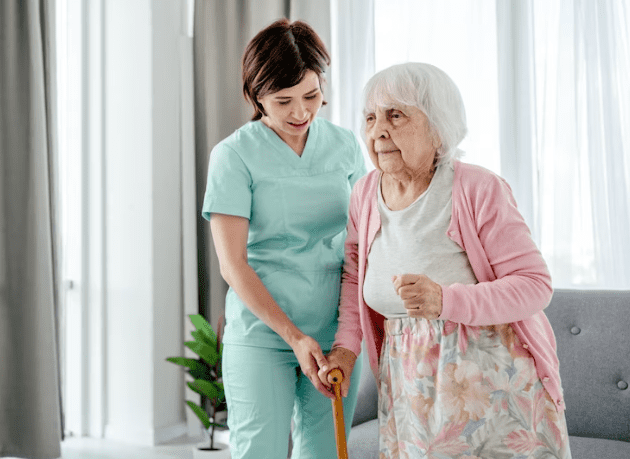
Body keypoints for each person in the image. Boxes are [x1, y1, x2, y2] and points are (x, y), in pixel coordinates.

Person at [319, 62, 572, 458]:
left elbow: (534, 284)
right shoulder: (365, 195)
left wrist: (446, 301)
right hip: (406, 387)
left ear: (437, 127)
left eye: (395, 115)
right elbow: (354, 277)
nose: (377, 130)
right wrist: (346, 350)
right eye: (370, 117)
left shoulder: (477, 188)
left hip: (492, 388)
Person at [202, 18, 366, 459]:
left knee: (325, 453)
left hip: (335, 335)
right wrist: (294, 336)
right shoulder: (233, 156)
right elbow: (232, 263)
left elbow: (365, 242)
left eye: (311, 96)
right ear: (257, 97)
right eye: (283, 101)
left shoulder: (346, 145)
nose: (300, 113)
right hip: (262, 333)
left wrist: (349, 339)